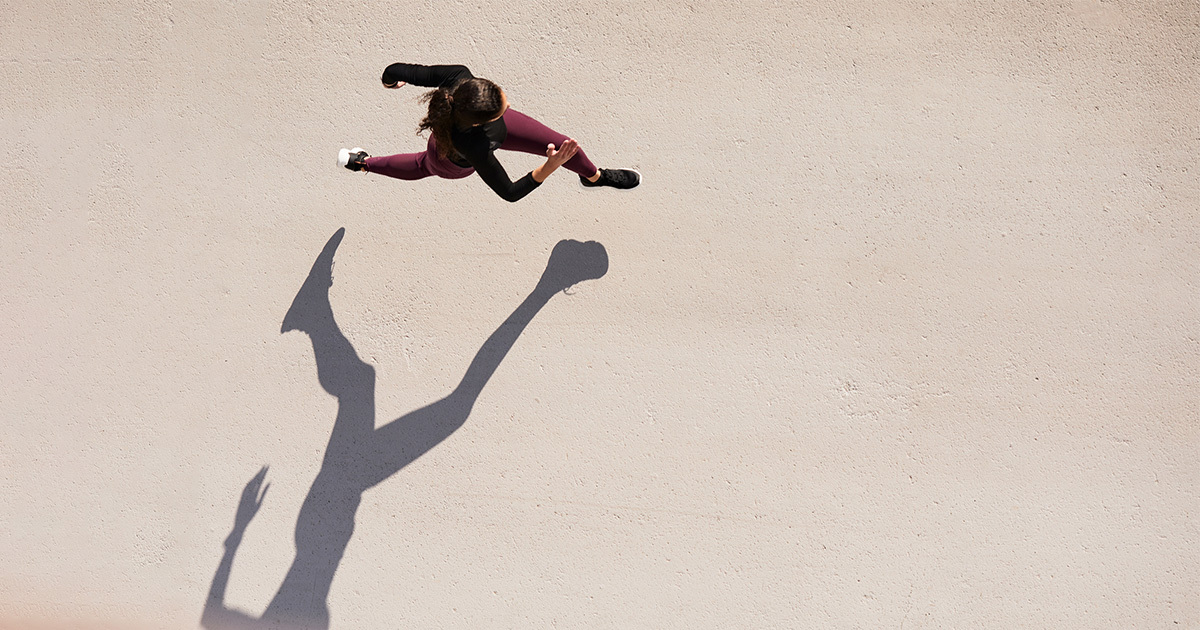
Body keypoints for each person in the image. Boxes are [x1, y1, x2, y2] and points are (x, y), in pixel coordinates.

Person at [337, 63, 640, 202]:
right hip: (449, 158)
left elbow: (396, 69)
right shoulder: (473, 146)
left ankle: (594, 178)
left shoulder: (459, 76)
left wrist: (390, 81)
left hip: (482, 131)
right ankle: (363, 162)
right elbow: (509, 193)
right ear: (483, 122)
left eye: (499, 93)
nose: (507, 98)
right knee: (422, 165)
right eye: (502, 104)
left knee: (564, 144)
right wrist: (549, 167)